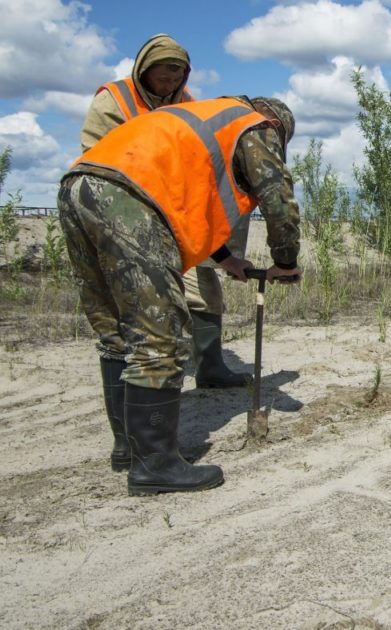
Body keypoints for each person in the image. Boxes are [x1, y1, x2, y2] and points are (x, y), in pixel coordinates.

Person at [59, 95, 302, 495]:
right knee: (160, 333)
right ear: (277, 124)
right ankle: (155, 465)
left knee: (116, 331)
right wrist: (286, 260)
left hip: (78, 187)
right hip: (128, 198)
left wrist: (226, 260)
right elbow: (277, 198)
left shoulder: (201, 118)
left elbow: (187, 204)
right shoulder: (254, 124)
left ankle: (128, 449)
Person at [81, 34, 250, 389]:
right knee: (140, 306)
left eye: (177, 78)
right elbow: (96, 161)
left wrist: (220, 250)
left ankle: (211, 367)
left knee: (205, 288)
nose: (170, 84)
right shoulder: (115, 99)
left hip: (176, 213)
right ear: (144, 71)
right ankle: (134, 380)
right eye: (163, 77)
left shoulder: (187, 103)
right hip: (125, 213)